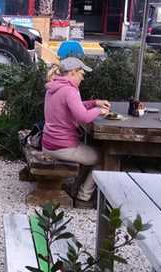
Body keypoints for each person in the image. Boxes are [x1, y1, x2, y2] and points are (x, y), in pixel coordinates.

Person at [42, 57, 111, 208]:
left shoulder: (54, 86)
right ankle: (84, 197)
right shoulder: (70, 90)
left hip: (49, 143)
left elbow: (75, 107)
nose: (83, 77)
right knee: (105, 158)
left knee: (89, 154)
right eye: (81, 73)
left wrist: (94, 103)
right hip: (63, 147)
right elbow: (84, 117)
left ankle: (75, 189)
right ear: (72, 73)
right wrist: (99, 110)